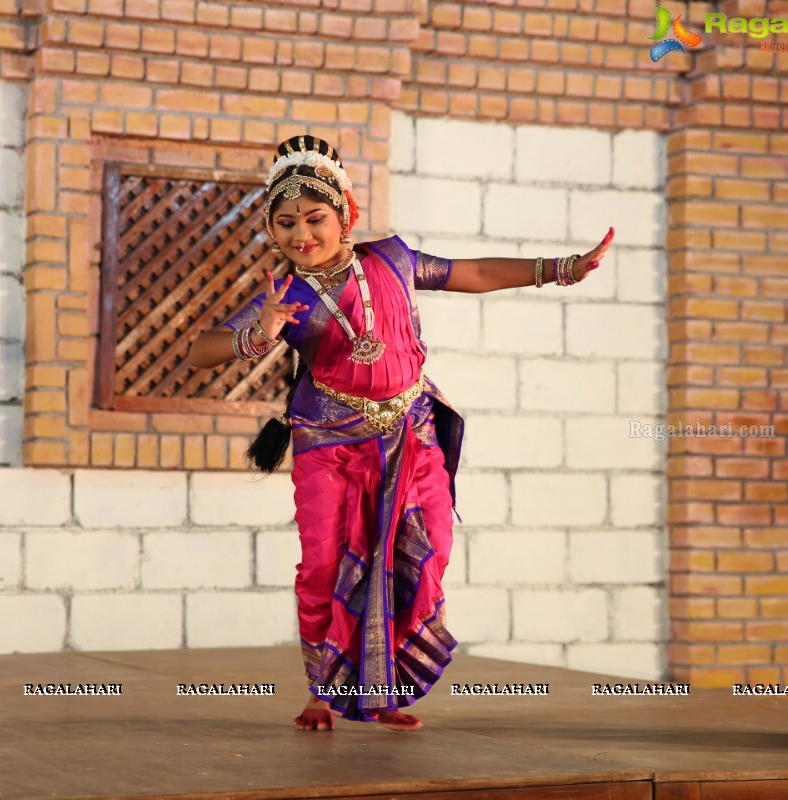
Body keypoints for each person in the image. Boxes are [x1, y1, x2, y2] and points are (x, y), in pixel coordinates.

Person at [188, 134, 614, 732]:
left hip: (411, 433)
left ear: (345, 215)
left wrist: (561, 269)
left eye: (315, 218)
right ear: (270, 228)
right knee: (324, 567)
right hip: (330, 445)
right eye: (285, 224)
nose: (301, 235)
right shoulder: (285, 296)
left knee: (425, 552)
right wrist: (256, 335)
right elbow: (200, 350)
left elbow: (476, 272)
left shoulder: (391, 259)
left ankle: (384, 688)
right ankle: (324, 691)